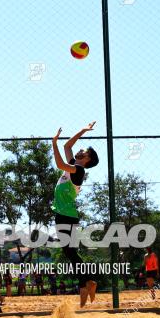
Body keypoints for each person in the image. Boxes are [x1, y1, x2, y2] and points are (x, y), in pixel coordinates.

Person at [51, 122, 99, 308]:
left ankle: (89, 282)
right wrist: (83, 131)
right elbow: (68, 146)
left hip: (65, 215)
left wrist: (53, 143)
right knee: (71, 253)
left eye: (84, 151)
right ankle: (84, 289)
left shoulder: (79, 170)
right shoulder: (74, 165)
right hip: (66, 214)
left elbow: (59, 162)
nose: (80, 150)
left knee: (70, 252)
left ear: (86, 160)